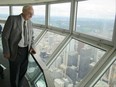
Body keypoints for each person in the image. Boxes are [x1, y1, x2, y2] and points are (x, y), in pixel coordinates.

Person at [2, 5, 36, 87]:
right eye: (29, 13)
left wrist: (32, 46)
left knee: (22, 72)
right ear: (23, 11)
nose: (31, 16)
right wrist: (6, 51)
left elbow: (32, 37)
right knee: (14, 73)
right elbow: (4, 36)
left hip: (26, 51)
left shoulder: (30, 23)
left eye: (32, 14)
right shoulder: (12, 19)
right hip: (15, 51)